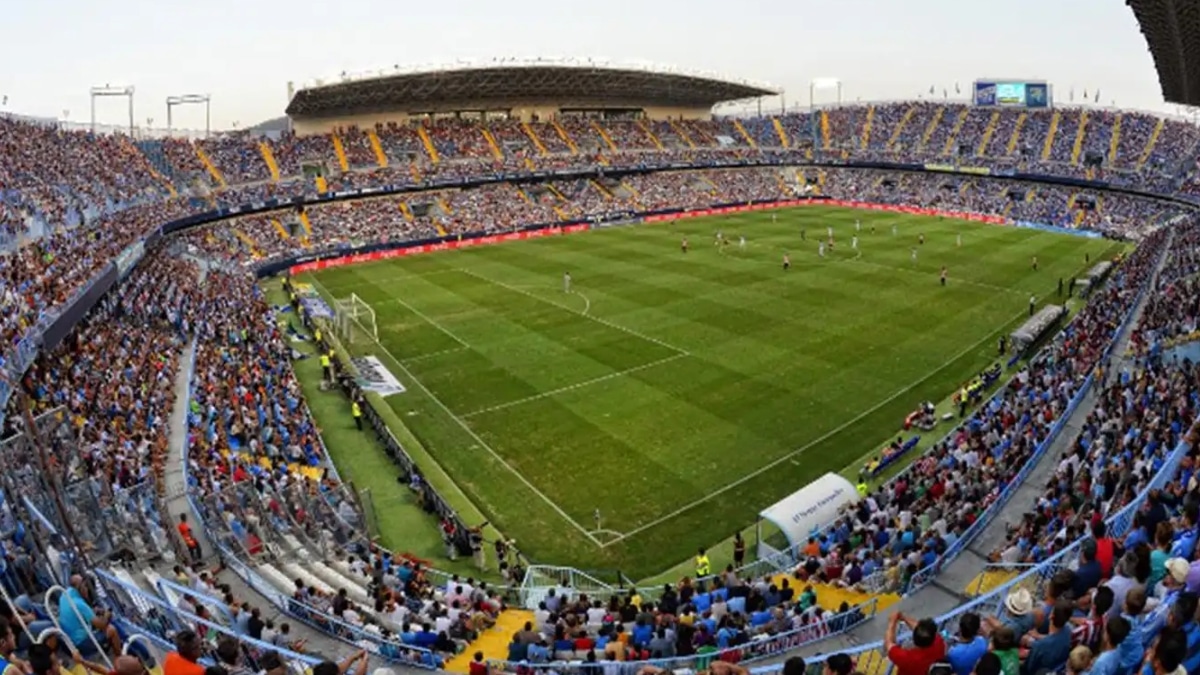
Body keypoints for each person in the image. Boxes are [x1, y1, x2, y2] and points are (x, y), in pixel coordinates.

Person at [58, 575, 121, 657]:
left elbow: (78, 614)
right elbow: (101, 625)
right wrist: (107, 615)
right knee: (112, 630)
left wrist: (92, 611)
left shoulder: (65, 594)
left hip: (69, 640)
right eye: (85, 585)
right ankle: (120, 659)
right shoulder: (79, 603)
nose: (86, 589)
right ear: (79, 587)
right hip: (81, 644)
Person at [1022, 601, 1072, 675]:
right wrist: (1038, 636)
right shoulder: (1068, 631)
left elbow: (1028, 668)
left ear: (1051, 616)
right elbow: (1054, 639)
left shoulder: (1039, 646)